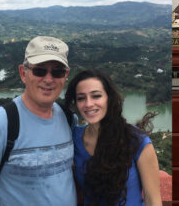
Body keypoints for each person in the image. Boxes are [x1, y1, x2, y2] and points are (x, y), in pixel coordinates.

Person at [0, 36, 76, 205]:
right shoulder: (0, 124)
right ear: (23, 73)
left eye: (57, 72)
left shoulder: (68, 118)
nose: (48, 79)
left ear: (66, 76)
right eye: (39, 70)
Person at [64, 69, 162, 206]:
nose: (88, 104)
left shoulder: (136, 140)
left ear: (109, 98)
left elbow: (153, 200)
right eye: (81, 98)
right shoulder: (73, 138)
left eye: (96, 96)